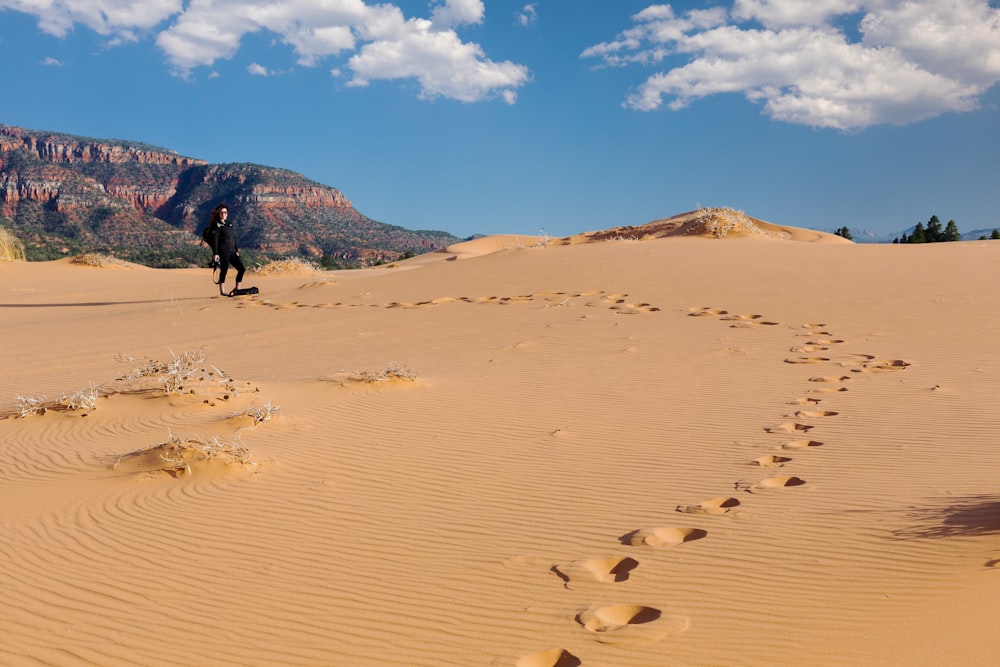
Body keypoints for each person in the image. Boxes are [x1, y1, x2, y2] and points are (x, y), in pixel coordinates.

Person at [207, 204, 245, 296]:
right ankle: (222, 291)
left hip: (232, 251)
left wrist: (236, 250)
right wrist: (215, 253)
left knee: (241, 269)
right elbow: (215, 240)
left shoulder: (229, 224)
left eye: (225, 212)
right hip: (223, 251)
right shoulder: (217, 225)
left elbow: (233, 238)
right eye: (222, 212)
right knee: (224, 270)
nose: (224, 214)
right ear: (219, 214)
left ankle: (237, 289)